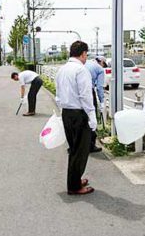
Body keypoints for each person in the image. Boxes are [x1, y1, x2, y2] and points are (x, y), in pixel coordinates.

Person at [55, 41, 96, 195]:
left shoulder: (62, 70)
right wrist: (92, 117)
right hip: (79, 114)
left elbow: (58, 95)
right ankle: (74, 186)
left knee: (74, 149)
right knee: (81, 150)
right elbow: (85, 95)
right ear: (83, 53)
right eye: (86, 54)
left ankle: (75, 179)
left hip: (67, 112)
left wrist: (62, 111)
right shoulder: (81, 70)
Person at [84, 56, 107, 153]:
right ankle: (91, 145)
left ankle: (78, 145)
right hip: (89, 91)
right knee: (92, 118)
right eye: (104, 64)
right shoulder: (99, 69)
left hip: (78, 92)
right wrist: (102, 102)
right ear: (101, 62)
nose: (103, 66)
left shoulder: (86, 63)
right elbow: (99, 87)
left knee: (82, 119)